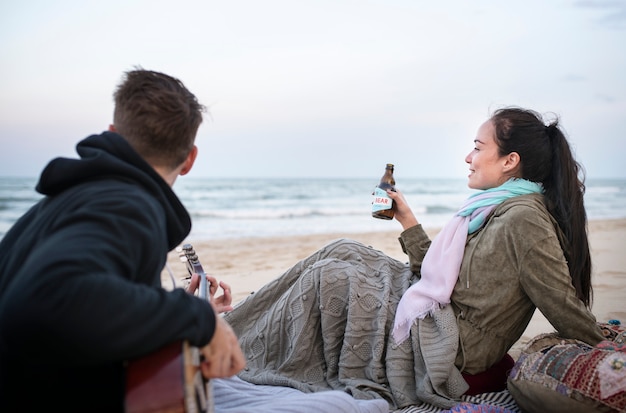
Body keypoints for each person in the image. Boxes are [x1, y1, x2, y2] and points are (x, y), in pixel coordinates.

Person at [222, 107, 605, 410]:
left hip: (452, 341)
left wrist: (600, 343)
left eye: (478, 146)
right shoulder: (492, 208)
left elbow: (557, 297)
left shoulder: (524, 218)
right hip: (438, 310)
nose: (468, 156)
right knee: (342, 249)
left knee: (332, 277)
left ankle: (230, 348)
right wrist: (407, 219)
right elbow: (439, 279)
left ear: (509, 161)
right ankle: (229, 326)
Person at [0, 69, 245, 412]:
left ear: (114, 134)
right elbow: (48, 300)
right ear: (189, 159)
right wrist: (197, 319)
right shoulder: (126, 204)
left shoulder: (59, 206)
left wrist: (168, 311)